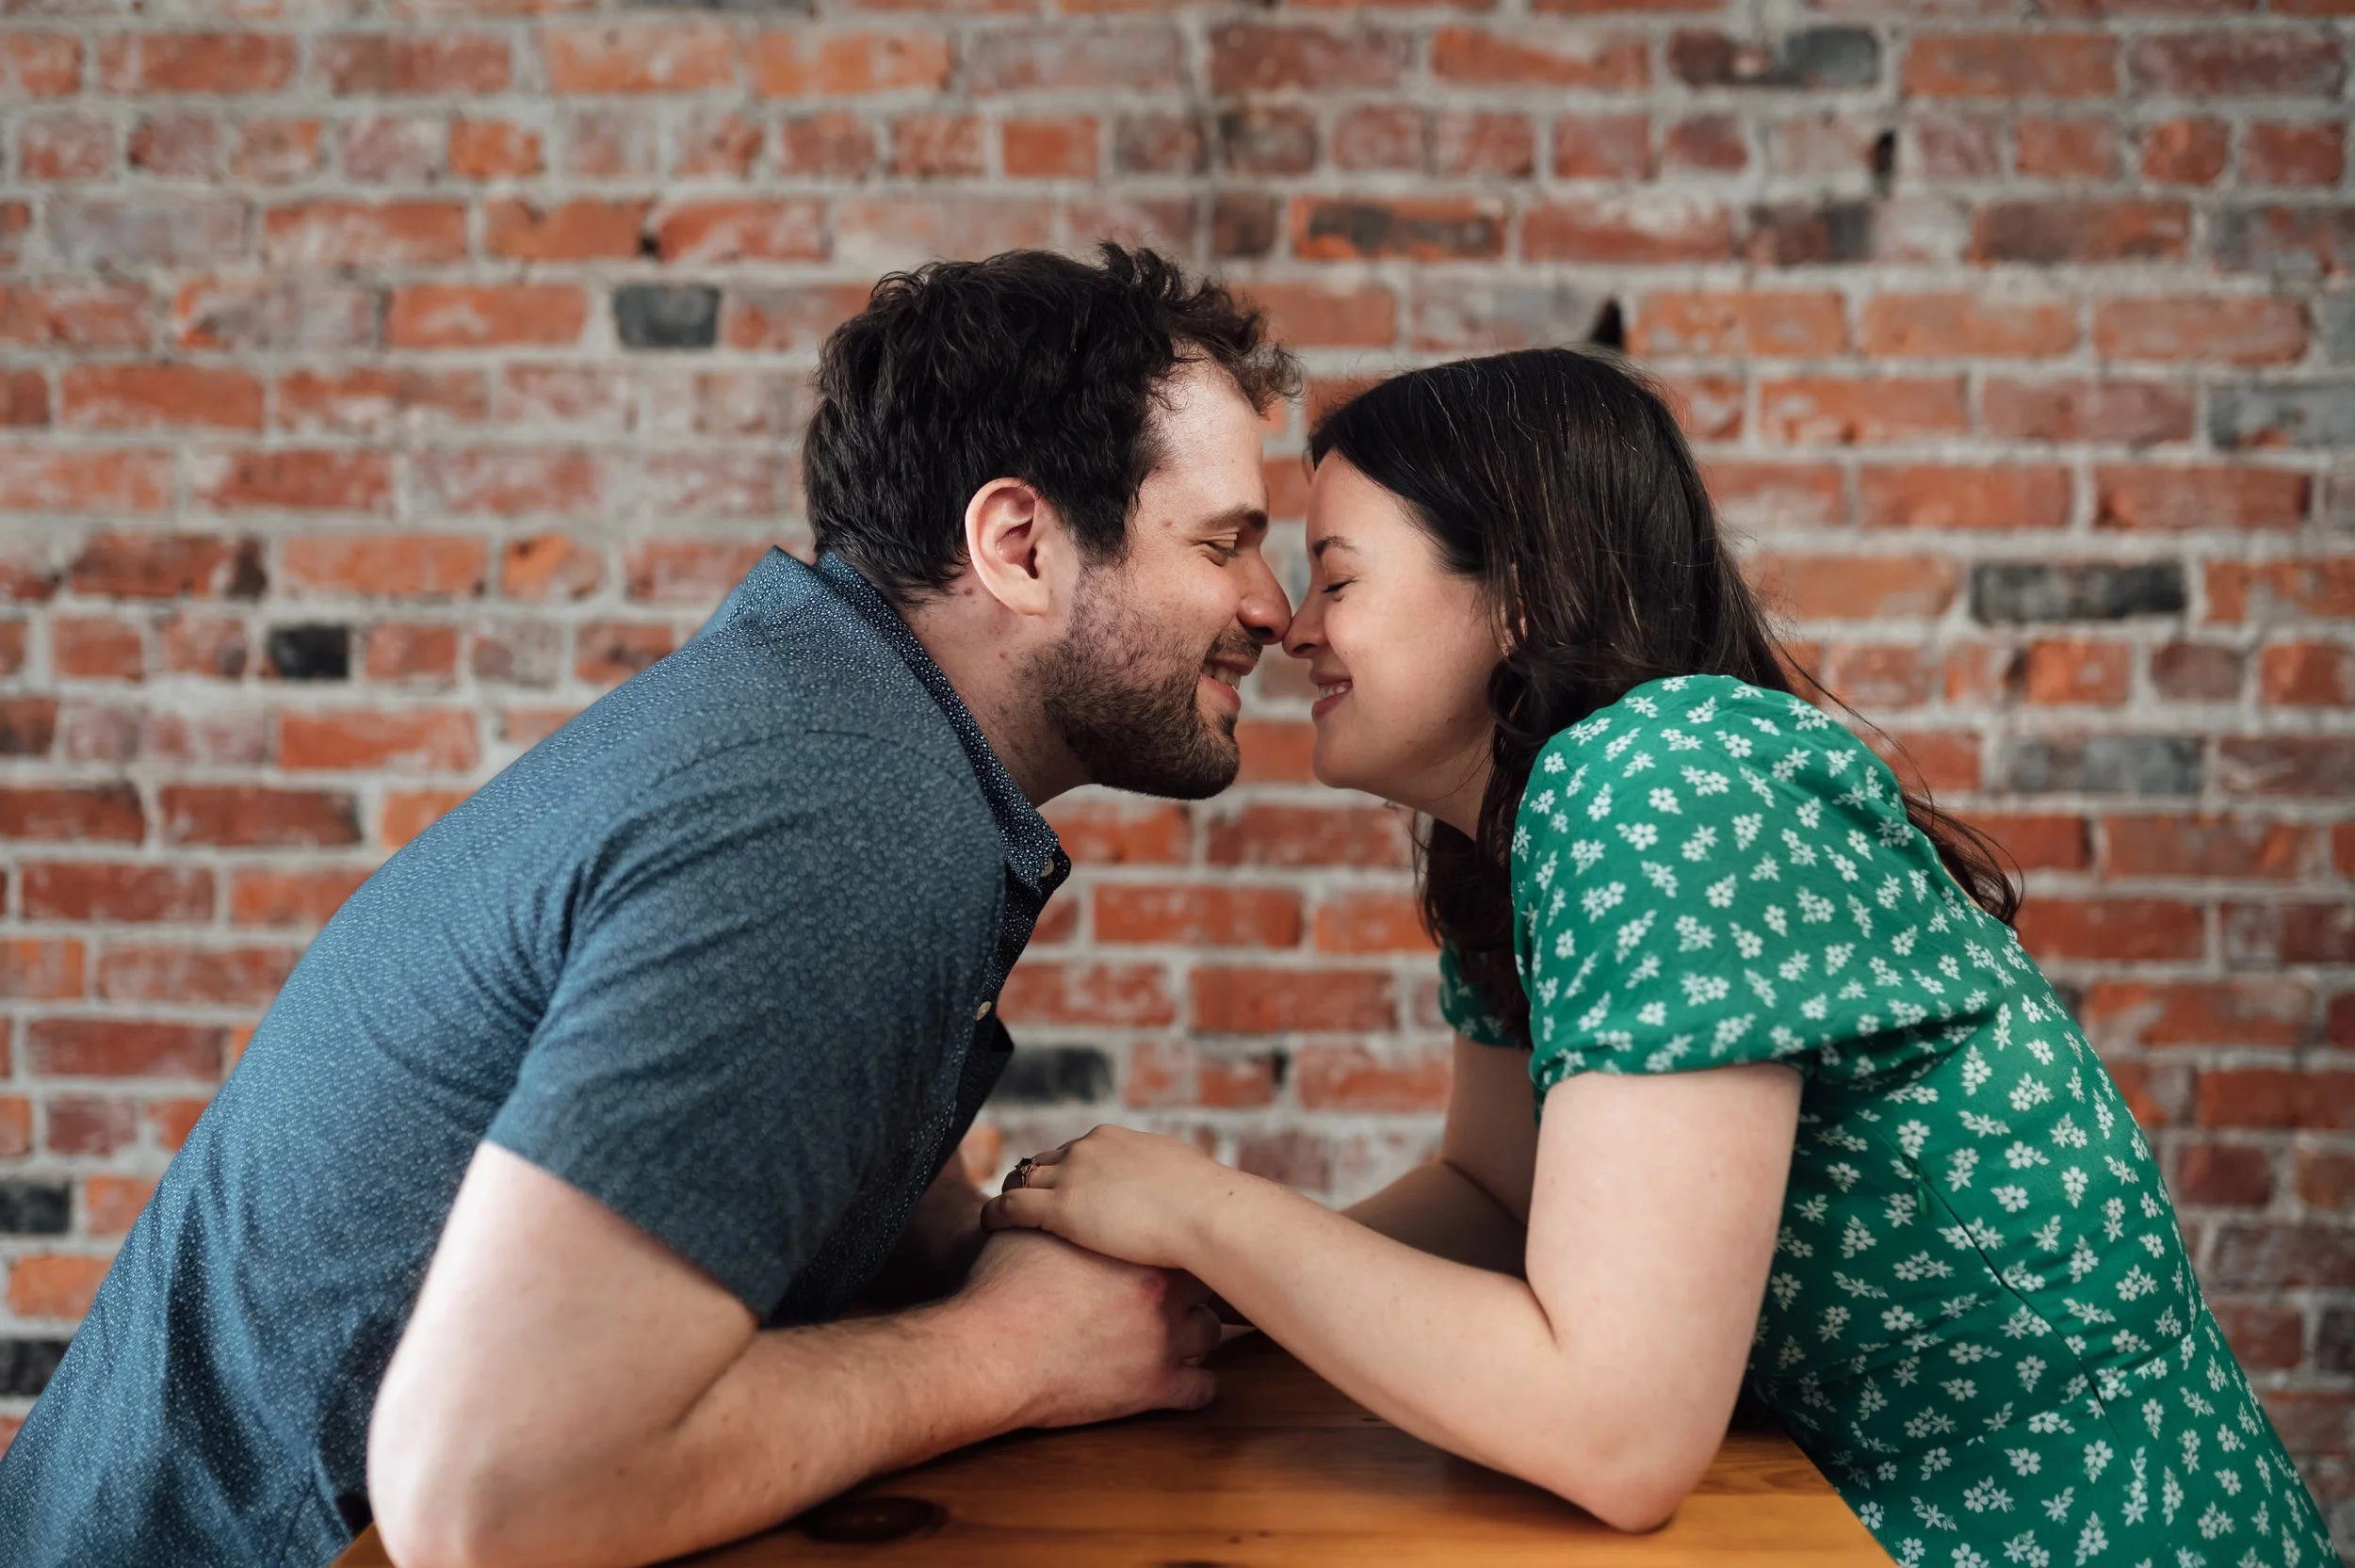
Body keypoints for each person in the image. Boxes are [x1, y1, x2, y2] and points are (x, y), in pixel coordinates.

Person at [0, 245, 1299, 1568]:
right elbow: (490, 1501)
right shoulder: (838, 819)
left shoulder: (819, 731)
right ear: (1018, 547)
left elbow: (760, 1141)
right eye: (1223, 543)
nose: (1274, 605)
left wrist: (989, 1241)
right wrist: (1007, 1351)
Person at [984, 348, 2338, 1567]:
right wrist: (1203, 1300)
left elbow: (1616, 1436)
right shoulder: (1514, 830)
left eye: (1338, 575)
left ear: (1514, 596)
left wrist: (1200, 1210)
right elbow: (1490, 1188)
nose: (1291, 623)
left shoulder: (1659, 782)